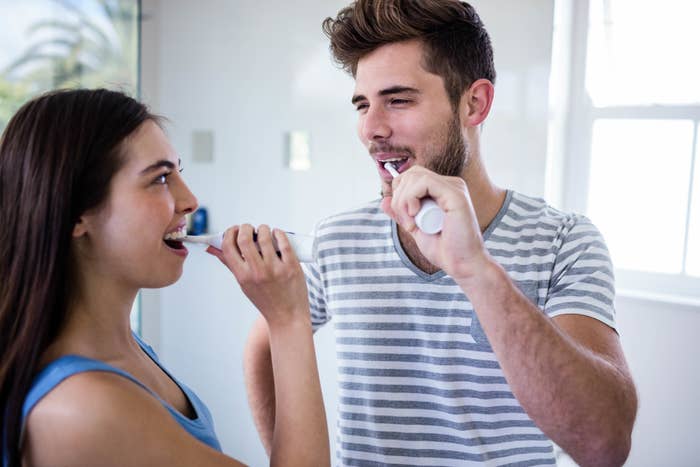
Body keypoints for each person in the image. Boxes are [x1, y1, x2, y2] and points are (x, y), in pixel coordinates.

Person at [243, 1, 638, 466]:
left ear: (475, 103)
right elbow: (264, 345)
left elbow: (604, 444)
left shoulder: (564, 241)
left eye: (398, 100)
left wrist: (476, 271)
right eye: (363, 105)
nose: (371, 129)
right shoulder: (338, 238)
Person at [0, 89, 329, 467]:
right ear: (77, 214)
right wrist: (288, 319)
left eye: (178, 174)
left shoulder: (128, 350)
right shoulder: (83, 408)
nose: (189, 200)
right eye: (159, 178)